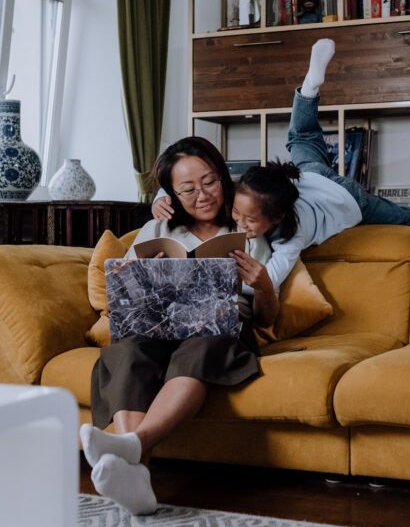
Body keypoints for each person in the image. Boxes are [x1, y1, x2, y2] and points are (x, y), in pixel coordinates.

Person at [153, 39, 410, 287]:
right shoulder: (245, 196)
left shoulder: (291, 235)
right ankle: (309, 88)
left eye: (250, 221)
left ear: (276, 218)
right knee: (300, 137)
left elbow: (270, 279)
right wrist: (162, 196)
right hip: (309, 176)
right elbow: (193, 185)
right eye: (238, 215)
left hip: (350, 199)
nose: (240, 223)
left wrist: (229, 281)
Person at [80, 137, 278, 515]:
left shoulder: (249, 232)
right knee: (127, 350)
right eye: (188, 189)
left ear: (223, 177)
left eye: (210, 182)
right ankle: (137, 475)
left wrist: (262, 283)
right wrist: (143, 272)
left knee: (201, 344)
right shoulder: (157, 228)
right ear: (170, 193)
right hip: (159, 324)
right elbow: (123, 291)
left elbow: (267, 318)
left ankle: (133, 447)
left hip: (219, 328)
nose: (203, 195)